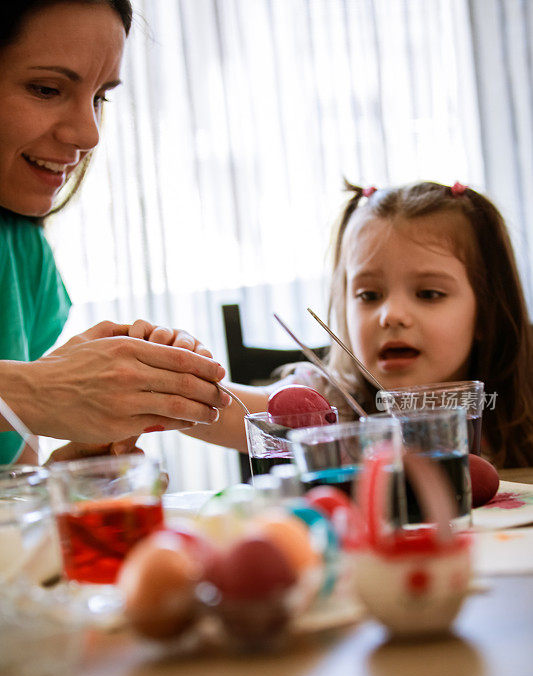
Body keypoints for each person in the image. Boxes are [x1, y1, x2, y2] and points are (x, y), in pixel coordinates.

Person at [0, 0, 230, 466]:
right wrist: (38, 388)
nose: (89, 134)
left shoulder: (23, 249)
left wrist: (72, 479)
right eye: (47, 89)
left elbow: (12, 492)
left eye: (99, 97)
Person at [183, 180, 533, 468]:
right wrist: (173, 369)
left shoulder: (520, 405)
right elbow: (224, 415)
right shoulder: (330, 404)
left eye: (428, 294)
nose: (391, 315)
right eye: (369, 295)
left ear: (486, 313)